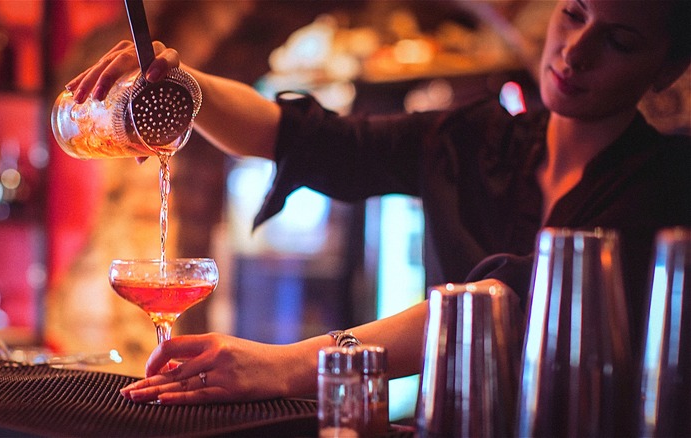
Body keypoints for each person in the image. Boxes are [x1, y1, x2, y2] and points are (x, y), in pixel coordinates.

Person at [65, 0, 691, 405]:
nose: (576, 51)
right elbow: (301, 138)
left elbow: (508, 303)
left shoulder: (667, 185)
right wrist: (184, 83)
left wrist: (286, 367)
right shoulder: (477, 138)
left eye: (621, 42)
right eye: (574, 14)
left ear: (666, 71)